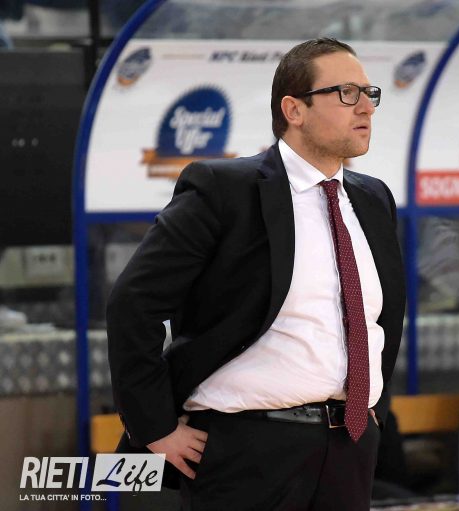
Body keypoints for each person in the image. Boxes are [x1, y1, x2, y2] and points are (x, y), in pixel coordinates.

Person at [106, 38, 406, 511]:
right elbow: (133, 304)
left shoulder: (373, 198)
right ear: (294, 109)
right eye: (346, 93)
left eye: (369, 93)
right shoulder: (225, 190)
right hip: (249, 447)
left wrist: (372, 415)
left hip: (349, 445)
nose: (365, 106)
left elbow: (380, 320)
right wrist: (155, 427)